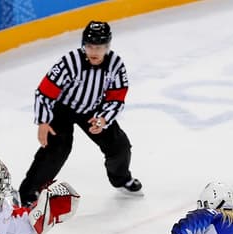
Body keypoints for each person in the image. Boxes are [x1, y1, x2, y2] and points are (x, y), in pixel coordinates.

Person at [17, 20, 141, 207]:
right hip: (63, 109)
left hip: (93, 110)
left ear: (107, 46)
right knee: (57, 148)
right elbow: (45, 92)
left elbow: (117, 97)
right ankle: (28, 192)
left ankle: (121, 179)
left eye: (99, 47)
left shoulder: (115, 65)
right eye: (90, 46)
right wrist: (43, 121)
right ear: (83, 45)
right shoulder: (70, 62)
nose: (94, 51)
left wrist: (103, 118)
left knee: (119, 145)